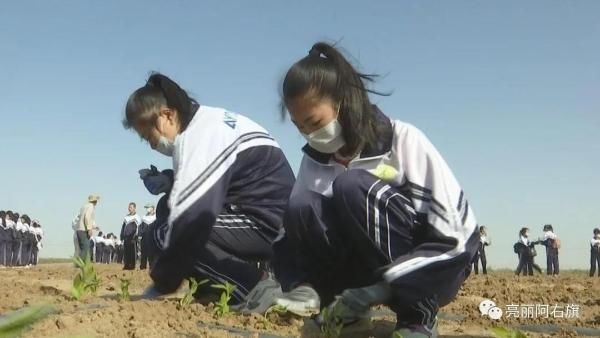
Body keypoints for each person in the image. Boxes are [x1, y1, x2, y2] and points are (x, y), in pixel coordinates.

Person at [271, 42, 479, 338]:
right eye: (299, 126)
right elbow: (289, 235)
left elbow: (458, 238)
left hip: (432, 273)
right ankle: (344, 316)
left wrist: (385, 288)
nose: (308, 134)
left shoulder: (403, 141)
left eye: (314, 122)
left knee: (351, 185)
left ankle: (417, 317)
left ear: (343, 101)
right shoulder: (313, 162)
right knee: (302, 204)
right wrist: (300, 286)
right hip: (362, 278)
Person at [123, 73, 295, 312]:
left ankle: (256, 289)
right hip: (263, 213)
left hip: (271, 224)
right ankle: (212, 288)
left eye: (148, 137)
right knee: (166, 210)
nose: (152, 145)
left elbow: (193, 219)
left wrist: (163, 282)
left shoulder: (201, 135)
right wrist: (171, 181)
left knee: (165, 233)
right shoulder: (208, 122)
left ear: (167, 115)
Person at [76, 195, 99, 260]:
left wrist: (94, 226)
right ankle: (79, 265)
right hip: (84, 230)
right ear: (95, 201)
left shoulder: (83, 206)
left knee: (83, 248)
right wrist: (89, 229)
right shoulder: (91, 206)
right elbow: (87, 217)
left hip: (79, 230)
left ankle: (80, 264)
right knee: (86, 248)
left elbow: (83, 218)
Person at [120, 202, 141, 270]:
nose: (129, 208)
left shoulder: (137, 217)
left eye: (131, 207)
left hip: (132, 237)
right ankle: (126, 265)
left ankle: (132, 266)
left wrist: (136, 235)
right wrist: (122, 236)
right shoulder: (126, 217)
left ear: (134, 208)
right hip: (126, 237)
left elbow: (138, 227)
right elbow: (123, 227)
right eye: (129, 207)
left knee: (132, 252)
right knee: (126, 252)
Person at [139, 204, 156, 270]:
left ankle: (152, 267)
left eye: (148, 207)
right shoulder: (143, 217)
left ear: (152, 208)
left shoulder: (156, 217)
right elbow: (140, 227)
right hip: (144, 237)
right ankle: (143, 267)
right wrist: (140, 235)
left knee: (152, 253)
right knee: (143, 252)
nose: (147, 209)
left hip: (152, 237)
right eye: (146, 208)